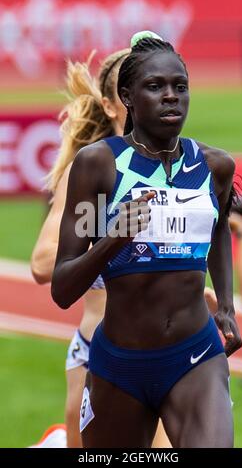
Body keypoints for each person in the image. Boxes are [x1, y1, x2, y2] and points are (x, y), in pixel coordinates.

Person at [51, 31, 242, 448]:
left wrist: (226, 306)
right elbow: (63, 287)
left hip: (195, 357)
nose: (171, 96)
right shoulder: (99, 168)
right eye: (155, 87)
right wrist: (113, 238)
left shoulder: (214, 167)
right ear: (128, 97)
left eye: (180, 87)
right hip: (119, 367)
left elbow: (218, 226)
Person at [31, 48, 170, 448]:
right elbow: (43, 263)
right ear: (111, 105)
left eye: (160, 87)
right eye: (134, 92)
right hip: (97, 353)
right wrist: (108, 237)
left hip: (170, 352)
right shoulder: (90, 171)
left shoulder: (187, 168)